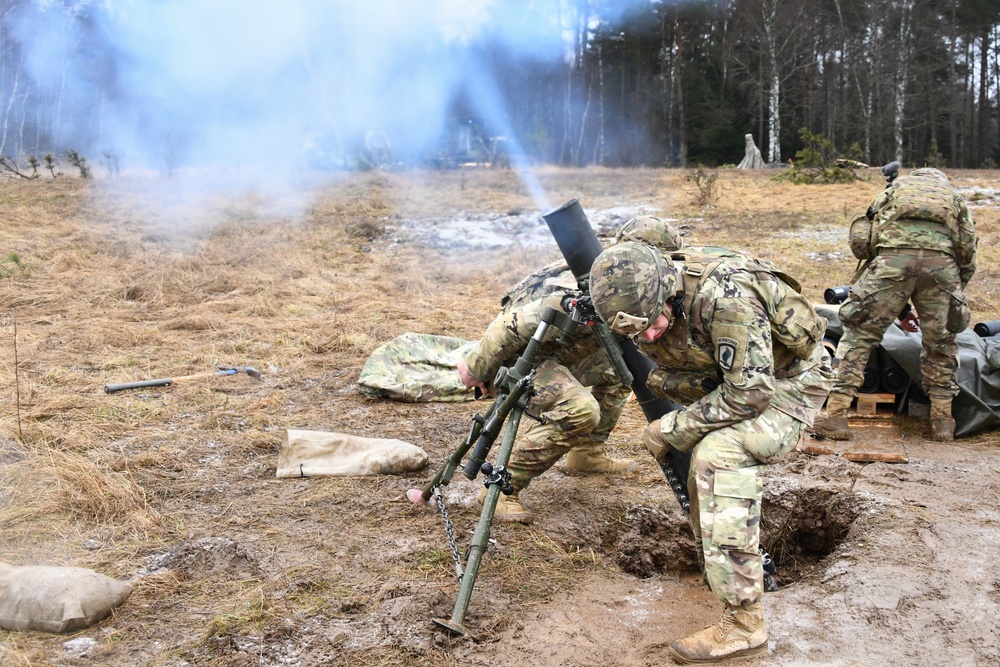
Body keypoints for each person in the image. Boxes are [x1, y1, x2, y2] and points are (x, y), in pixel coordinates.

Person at [588, 241, 834, 664]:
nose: (647, 336)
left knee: (718, 457)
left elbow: (751, 393)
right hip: (735, 378)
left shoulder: (727, 299)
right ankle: (723, 569)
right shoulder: (632, 283)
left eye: (652, 323)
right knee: (686, 425)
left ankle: (745, 626)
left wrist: (672, 427)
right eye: (635, 331)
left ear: (669, 291)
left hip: (790, 382)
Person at [455, 262, 636, 524]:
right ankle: (501, 491)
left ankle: (586, 453)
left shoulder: (631, 289)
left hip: (559, 356)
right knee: (581, 410)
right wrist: (475, 369)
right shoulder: (576, 295)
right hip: (518, 364)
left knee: (622, 370)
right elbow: (507, 327)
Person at [813, 167, 977, 442]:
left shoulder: (891, 193)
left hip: (891, 264)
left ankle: (836, 416)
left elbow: (865, 241)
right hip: (941, 268)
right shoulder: (954, 199)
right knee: (941, 345)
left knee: (859, 337)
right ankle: (942, 422)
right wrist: (955, 287)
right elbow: (967, 249)